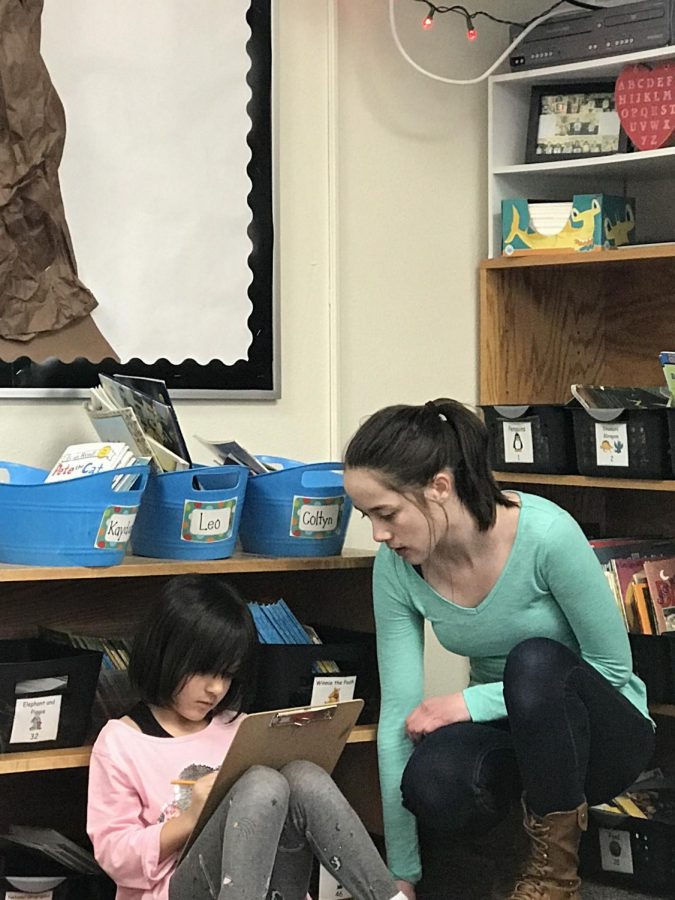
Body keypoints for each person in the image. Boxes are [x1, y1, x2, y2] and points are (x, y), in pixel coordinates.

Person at [343, 399, 655, 900]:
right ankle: (513, 860)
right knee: (433, 780)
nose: (379, 534)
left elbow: (613, 668)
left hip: (603, 735)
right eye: (368, 517)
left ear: (439, 487)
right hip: (516, 736)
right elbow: (399, 715)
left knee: (532, 661)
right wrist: (400, 878)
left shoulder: (546, 534)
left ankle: (554, 881)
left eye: (387, 514)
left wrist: (471, 702)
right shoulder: (396, 568)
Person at [87, 573, 406, 900]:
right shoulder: (121, 742)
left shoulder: (239, 726)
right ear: (165, 653)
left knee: (304, 775)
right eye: (204, 671)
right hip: (174, 891)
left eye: (227, 674)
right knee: (261, 785)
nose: (216, 689)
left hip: (270, 889)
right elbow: (117, 860)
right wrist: (191, 818)